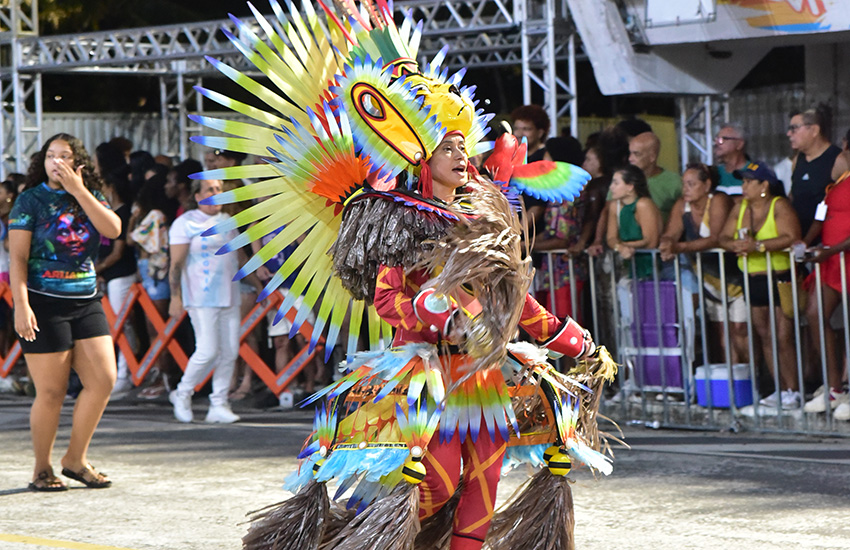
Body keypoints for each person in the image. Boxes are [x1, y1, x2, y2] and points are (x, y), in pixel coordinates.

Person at [9, 133, 121, 491]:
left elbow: (113, 229)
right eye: (50, 156)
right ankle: (41, 468)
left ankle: (75, 459)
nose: (56, 162)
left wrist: (79, 191)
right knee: (52, 391)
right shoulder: (30, 200)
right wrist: (21, 305)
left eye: (64, 155)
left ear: (77, 162)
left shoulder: (89, 195)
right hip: (43, 301)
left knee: (103, 380)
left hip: (86, 299)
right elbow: (18, 258)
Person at [167, 178, 261, 423]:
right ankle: (182, 393)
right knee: (207, 350)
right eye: (210, 190)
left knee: (229, 352)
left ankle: (219, 403)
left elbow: (240, 257)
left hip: (229, 295)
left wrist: (259, 285)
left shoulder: (227, 222)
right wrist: (175, 296)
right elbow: (176, 264)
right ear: (197, 196)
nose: (216, 193)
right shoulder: (185, 223)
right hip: (200, 297)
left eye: (218, 189)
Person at [719, 162, 802, 409]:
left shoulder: (779, 205)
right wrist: (734, 245)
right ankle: (780, 388)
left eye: (748, 182)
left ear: (764, 185)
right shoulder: (739, 207)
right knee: (765, 335)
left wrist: (758, 246)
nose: (743, 187)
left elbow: (791, 236)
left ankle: (793, 389)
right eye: (743, 181)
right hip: (753, 278)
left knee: (783, 336)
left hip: (779, 276)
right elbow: (723, 237)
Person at [659, 163, 747, 366]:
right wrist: (666, 243)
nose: (685, 189)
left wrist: (679, 247)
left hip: (735, 277)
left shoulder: (718, 200)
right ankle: (731, 379)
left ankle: (752, 375)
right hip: (709, 280)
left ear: (707, 185)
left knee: (740, 330)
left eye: (691, 184)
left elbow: (716, 238)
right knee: (722, 333)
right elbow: (671, 233)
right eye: (684, 184)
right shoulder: (682, 205)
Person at [802, 132, 850, 417]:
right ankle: (835, 388)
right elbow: (821, 219)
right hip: (831, 261)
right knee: (815, 314)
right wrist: (805, 243)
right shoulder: (836, 184)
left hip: (842, 258)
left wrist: (831, 251)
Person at [128, 168, 175, 400]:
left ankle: (162, 376)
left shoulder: (155, 215)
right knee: (154, 327)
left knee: (156, 328)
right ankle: (160, 374)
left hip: (155, 274)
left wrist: (133, 219)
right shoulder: (161, 215)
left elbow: (132, 239)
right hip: (153, 273)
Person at [533, 136, 587, 321]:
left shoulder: (570, 193)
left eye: (547, 157)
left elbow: (563, 239)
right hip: (552, 272)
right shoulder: (558, 192)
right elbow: (551, 231)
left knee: (564, 324)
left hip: (565, 272)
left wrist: (528, 246)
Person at [96, 172, 139, 396]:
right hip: (108, 276)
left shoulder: (122, 213)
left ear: (111, 187)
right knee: (113, 325)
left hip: (121, 275)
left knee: (122, 324)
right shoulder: (108, 213)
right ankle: (119, 371)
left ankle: (125, 372)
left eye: (103, 185)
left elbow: (117, 253)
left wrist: (97, 269)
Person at [787, 106, 841, 246]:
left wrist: (807, 240)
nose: (789, 134)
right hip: (799, 239)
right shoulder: (798, 159)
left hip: (826, 242)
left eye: (794, 128)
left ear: (814, 130)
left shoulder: (838, 159)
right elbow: (793, 195)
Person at [628, 131, 681, 224]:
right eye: (630, 153)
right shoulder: (622, 179)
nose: (630, 158)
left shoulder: (675, 182)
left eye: (636, 154)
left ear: (652, 157)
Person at [712, 123, 748, 196]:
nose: (716, 143)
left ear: (739, 144)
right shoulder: (713, 173)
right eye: (716, 139)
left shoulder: (754, 173)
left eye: (722, 139)